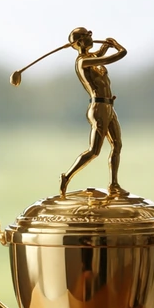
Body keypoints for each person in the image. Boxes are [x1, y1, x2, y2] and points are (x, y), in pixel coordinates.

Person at [59, 27, 127, 197]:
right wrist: (117, 46)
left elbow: (99, 55)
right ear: (79, 42)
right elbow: (119, 55)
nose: (91, 37)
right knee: (94, 151)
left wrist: (106, 46)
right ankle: (67, 176)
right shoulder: (82, 61)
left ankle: (114, 185)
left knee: (117, 145)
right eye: (87, 35)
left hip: (109, 107)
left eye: (90, 34)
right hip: (98, 108)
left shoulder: (91, 57)